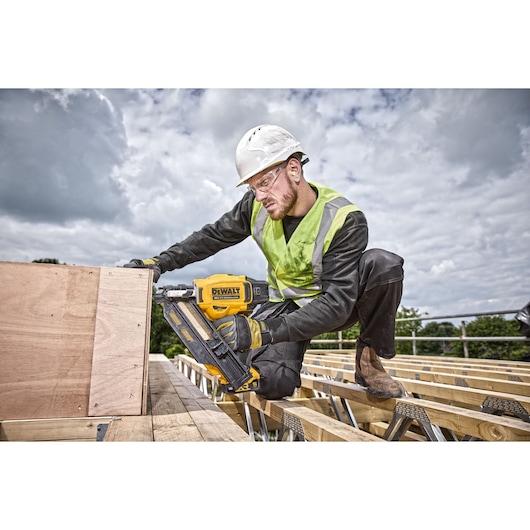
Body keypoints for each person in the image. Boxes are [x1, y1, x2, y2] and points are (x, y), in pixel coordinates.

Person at [125, 124, 405, 400]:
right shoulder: (256, 204)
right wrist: (161, 262)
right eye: (252, 187)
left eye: (264, 183)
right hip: (285, 301)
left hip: (337, 305)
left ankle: (369, 360)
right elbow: (212, 236)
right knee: (271, 382)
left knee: (383, 265)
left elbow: (336, 304)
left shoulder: (345, 219)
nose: (258, 196)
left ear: (293, 169)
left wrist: (263, 331)